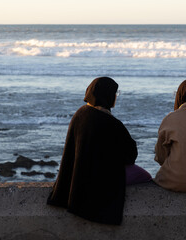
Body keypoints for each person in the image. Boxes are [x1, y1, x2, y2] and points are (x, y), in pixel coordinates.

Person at [47, 77, 151, 225]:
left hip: (77, 176)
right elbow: (130, 155)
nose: (116, 97)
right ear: (107, 95)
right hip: (98, 177)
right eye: (115, 93)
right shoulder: (110, 122)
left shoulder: (80, 114)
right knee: (145, 176)